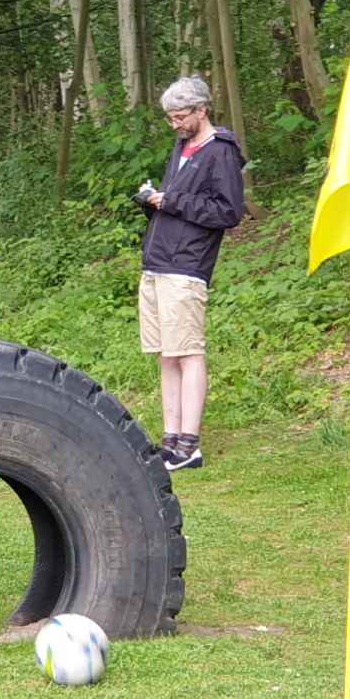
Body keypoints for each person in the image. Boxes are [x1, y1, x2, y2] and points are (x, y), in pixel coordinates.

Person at [137, 77, 245, 472]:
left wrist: (173, 200)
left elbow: (228, 212)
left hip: (187, 265)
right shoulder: (181, 146)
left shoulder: (221, 152)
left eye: (181, 117)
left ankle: (190, 444)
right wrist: (153, 201)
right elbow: (175, 202)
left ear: (202, 110)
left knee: (188, 351)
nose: (176, 125)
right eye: (170, 119)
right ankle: (170, 440)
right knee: (166, 354)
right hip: (158, 261)